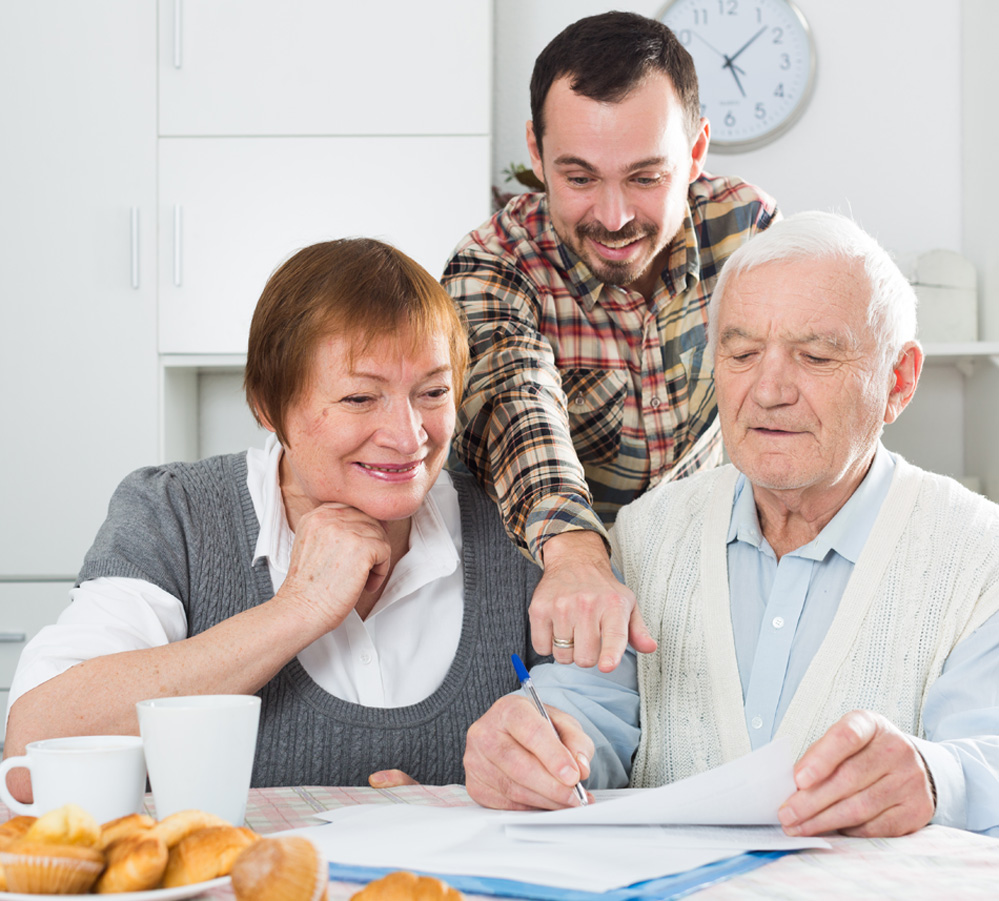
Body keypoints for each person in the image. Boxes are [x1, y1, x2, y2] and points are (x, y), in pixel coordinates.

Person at [462, 211, 999, 838]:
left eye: (816, 356)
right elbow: (587, 713)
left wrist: (937, 778)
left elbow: (985, 753)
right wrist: (534, 741)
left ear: (898, 382)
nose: (768, 390)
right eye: (741, 352)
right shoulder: (644, 532)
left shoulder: (979, 556)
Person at [4, 238, 546, 799]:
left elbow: (595, 740)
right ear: (268, 406)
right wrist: (298, 609)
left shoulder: (510, 524)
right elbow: (31, 752)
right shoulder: (176, 514)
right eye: (360, 398)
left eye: (433, 392)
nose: (410, 436)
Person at [444, 11, 778, 674]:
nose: (615, 216)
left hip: (720, 603)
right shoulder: (492, 263)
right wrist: (573, 554)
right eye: (579, 178)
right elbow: (516, 405)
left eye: (646, 177)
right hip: (551, 604)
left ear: (695, 151)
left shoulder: (744, 227)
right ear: (535, 155)